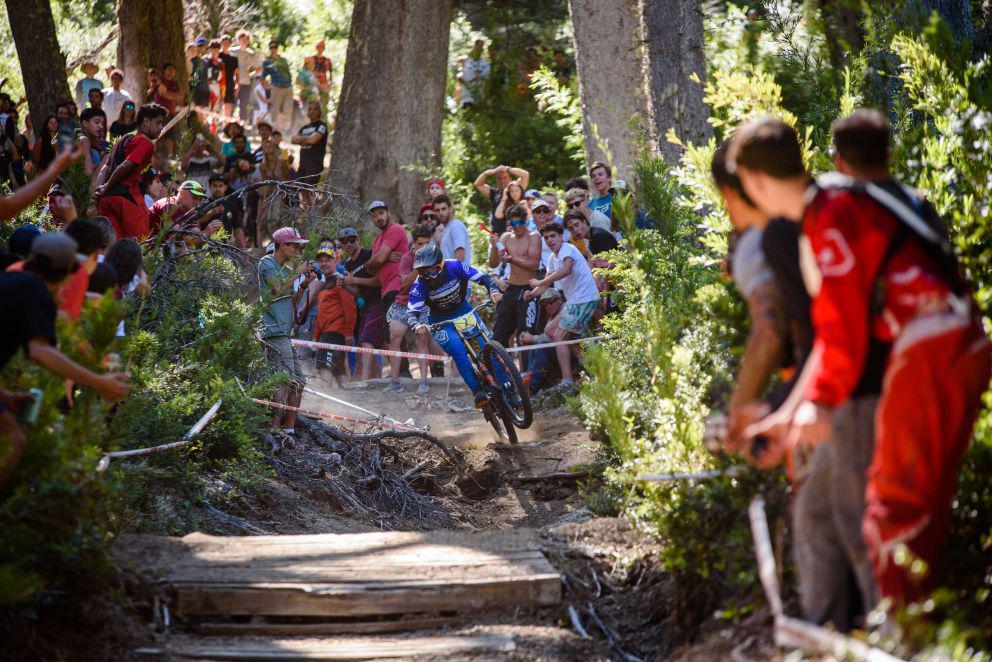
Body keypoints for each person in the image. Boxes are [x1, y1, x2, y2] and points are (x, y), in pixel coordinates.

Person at [731, 115, 991, 609]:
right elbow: (833, 335)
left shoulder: (830, 216)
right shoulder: (838, 202)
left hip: (929, 350)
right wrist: (786, 419)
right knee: (919, 511)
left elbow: (844, 333)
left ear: (754, 179)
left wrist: (821, 403)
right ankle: (917, 633)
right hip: (954, 344)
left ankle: (901, 639)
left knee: (894, 508)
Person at [0, 232, 130, 487]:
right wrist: (98, 381)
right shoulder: (37, 293)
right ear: (69, 272)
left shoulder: (12, 279)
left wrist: (5, 395)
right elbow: (40, 352)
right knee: (13, 441)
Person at [407, 243, 503, 407]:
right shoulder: (419, 284)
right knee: (458, 349)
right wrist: (416, 325)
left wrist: (493, 290)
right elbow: (411, 312)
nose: (430, 276)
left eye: (434, 270)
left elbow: (484, 277)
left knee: (486, 347)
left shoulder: (455, 266)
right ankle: (477, 391)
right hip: (440, 322)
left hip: (464, 312)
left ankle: (510, 388)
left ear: (442, 264)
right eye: (424, 272)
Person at [525, 222, 601, 390]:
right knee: (550, 330)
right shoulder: (553, 258)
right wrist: (533, 293)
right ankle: (586, 362)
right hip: (575, 301)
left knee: (559, 337)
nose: (550, 240)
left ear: (562, 236)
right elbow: (544, 285)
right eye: (546, 238)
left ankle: (567, 381)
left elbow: (566, 270)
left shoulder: (568, 249)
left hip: (585, 299)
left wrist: (541, 282)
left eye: (553, 236)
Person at [258, 227, 313, 442]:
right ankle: (274, 429)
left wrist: (303, 285)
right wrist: (297, 273)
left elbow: (292, 302)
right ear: (282, 245)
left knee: (298, 381)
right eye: (295, 245)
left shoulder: (286, 267)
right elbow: (277, 290)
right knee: (283, 380)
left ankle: (289, 431)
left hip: (285, 332)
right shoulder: (267, 263)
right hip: (273, 331)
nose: (298, 250)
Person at [359, 201, 411, 392]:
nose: (379, 217)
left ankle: (403, 373)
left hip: (399, 285)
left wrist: (380, 259)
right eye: (374, 215)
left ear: (388, 213)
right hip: (385, 288)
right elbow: (372, 269)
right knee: (390, 332)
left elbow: (377, 261)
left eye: (381, 213)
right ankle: (399, 372)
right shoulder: (377, 240)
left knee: (397, 330)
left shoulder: (395, 230)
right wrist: (378, 260)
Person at [94, 103, 167, 240]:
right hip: (128, 198)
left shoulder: (124, 138)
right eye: (158, 123)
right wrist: (106, 186)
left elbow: (105, 168)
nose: (161, 127)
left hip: (107, 201)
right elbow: (127, 165)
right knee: (139, 245)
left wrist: (96, 194)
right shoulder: (145, 142)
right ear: (146, 121)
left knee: (112, 248)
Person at [385, 226, 435, 395]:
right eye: (421, 243)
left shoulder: (437, 257)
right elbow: (405, 284)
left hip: (423, 304)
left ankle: (424, 381)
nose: (425, 246)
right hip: (404, 302)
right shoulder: (407, 258)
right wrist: (419, 266)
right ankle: (394, 381)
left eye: (427, 243)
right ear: (414, 243)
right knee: (394, 336)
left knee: (422, 339)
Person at [488, 203, 541, 348]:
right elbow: (493, 264)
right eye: (514, 223)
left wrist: (512, 259)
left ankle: (528, 370)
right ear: (509, 223)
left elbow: (534, 264)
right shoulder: (506, 237)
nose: (517, 227)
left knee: (525, 334)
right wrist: (494, 247)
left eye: (520, 223)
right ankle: (502, 368)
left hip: (528, 288)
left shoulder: (533, 237)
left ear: (526, 221)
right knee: (499, 335)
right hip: (511, 288)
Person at [310, 241, 356, 388]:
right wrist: (316, 337)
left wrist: (348, 333)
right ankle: (349, 400)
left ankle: (325, 400)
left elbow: (350, 308)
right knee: (338, 369)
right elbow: (322, 314)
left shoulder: (339, 281)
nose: (324, 263)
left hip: (335, 332)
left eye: (328, 259)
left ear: (335, 259)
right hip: (327, 333)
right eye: (321, 260)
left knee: (325, 365)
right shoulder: (325, 282)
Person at [148, 179, 221, 237]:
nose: (198, 202)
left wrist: (206, 233)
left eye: (200, 199)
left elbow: (194, 239)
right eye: (194, 197)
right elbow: (176, 238)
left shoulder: (191, 212)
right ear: (181, 192)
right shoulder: (169, 206)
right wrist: (204, 233)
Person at [474, 164, 530, 234]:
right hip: (497, 234)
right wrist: (492, 171)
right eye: (499, 178)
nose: (502, 181)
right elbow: (478, 184)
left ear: (510, 178)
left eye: (505, 177)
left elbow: (525, 175)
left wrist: (507, 169)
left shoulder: (517, 189)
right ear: (496, 180)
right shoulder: (494, 193)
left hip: (516, 233)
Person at [291, 100, 327, 205]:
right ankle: (307, 214)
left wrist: (303, 140)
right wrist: (307, 139)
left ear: (319, 111)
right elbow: (293, 139)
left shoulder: (321, 126)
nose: (312, 111)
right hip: (303, 164)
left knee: (311, 189)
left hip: (315, 163)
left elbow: (313, 140)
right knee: (302, 188)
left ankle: (313, 215)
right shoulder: (304, 128)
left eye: (315, 109)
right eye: (310, 108)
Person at [207, 174, 247, 249]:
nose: (218, 188)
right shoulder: (204, 205)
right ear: (209, 187)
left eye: (220, 186)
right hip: (206, 247)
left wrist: (244, 252)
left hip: (226, 248)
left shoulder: (232, 205)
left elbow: (238, 230)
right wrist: (211, 213)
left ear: (225, 187)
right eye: (215, 186)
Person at [530, 198, 570, 272]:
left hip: (555, 270)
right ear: (533, 213)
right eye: (538, 211)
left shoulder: (557, 229)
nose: (542, 213)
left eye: (545, 211)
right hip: (535, 273)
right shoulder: (529, 232)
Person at [262, 41, 293, 134]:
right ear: (269, 49)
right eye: (271, 47)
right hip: (276, 87)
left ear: (277, 48)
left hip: (288, 87)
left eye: (275, 47)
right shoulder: (267, 61)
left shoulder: (283, 60)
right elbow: (263, 76)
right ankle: (273, 128)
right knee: (275, 109)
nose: (273, 49)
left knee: (288, 108)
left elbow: (288, 73)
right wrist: (269, 87)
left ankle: (287, 129)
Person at [434, 195, 471, 266]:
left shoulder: (455, 226)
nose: (441, 213)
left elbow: (460, 259)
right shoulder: (443, 229)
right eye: (437, 210)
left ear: (450, 209)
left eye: (443, 209)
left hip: (458, 276)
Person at [232, 30, 259, 123]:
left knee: (244, 104)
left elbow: (259, 68)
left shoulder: (251, 54)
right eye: (242, 39)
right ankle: (227, 124)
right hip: (233, 82)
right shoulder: (232, 51)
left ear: (248, 41)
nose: (244, 41)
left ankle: (242, 124)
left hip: (245, 82)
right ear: (238, 39)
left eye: (246, 39)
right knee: (231, 103)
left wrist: (250, 75)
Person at [458, 39, 490, 108]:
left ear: (482, 50)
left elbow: (487, 81)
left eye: (480, 48)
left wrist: (484, 98)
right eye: (476, 47)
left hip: (479, 99)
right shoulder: (465, 61)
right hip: (467, 99)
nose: (477, 50)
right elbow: (460, 77)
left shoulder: (485, 64)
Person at [78, 107, 107, 176]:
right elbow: (89, 172)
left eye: (102, 123)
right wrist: (105, 161)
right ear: (85, 123)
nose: (101, 127)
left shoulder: (82, 139)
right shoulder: (84, 140)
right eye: (97, 122)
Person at [218, 35, 239, 119]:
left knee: (228, 107)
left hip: (230, 84)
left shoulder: (234, 58)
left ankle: (226, 127)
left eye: (228, 42)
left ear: (230, 44)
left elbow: (237, 72)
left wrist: (238, 85)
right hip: (219, 85)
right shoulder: (218, 55)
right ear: (221, 43)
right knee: (217, 106)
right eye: (224, 42)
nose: (226, 44)